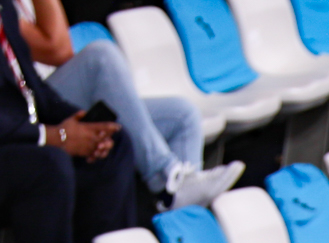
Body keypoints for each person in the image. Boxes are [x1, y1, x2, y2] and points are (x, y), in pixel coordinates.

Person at [0, 0, 134, 243]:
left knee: (115, 145)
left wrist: (70, 119)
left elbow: (30, 89)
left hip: (19, 138)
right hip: (12, 150)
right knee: (48, 167)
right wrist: (54, 135)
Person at [15, 0, 241, 208]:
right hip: (21, 114)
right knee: (100, 57)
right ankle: (166, 179)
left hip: (50, 97)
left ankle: (179, 218)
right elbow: (58, 50)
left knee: (183, 117)